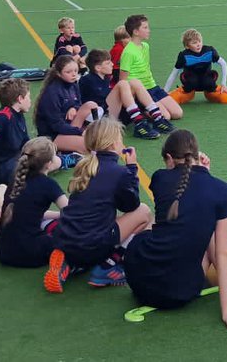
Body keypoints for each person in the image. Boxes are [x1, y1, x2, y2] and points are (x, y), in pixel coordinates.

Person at [125, 130, 227, 331]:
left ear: (169, 158)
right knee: (207, 225)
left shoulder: (159, 178)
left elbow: (187, 194)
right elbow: (224, 251)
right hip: (182, 291)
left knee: (153, 225)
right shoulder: (221, 190)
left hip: (140, 281)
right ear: (196, 155)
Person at [45, 119, 152, 292]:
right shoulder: (120, 172)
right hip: (92, 244)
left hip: (65, 238)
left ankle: (71, 263)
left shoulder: (84, 166)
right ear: (113, 143)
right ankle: (108, 266)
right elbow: (131, 205)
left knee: (96, 220)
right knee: (144, 212)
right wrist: (132, 168)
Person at [0, 137, 69, 268]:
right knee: (70, 235)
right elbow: (72, 213)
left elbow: (28, 212)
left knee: (50, 222)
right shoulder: (48, 185)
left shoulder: (16, 178)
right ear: (49, 164)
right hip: (31, 253)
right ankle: (68, 266)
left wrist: (58, 215)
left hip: (5, 253)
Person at [80, 49, 164, 137]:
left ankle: (158, 117)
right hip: (100, 120)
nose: (112, 64)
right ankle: (140, 124)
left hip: (110, 113)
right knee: (122, 84)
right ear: (98, 68)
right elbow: (101, 99)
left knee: (135, 82)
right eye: (108, 63)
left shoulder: (105, 78)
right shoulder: (87, 79)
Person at [118, 14, 181, 128]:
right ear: (136, 32)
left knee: (177, 113)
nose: (149, 30)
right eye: (145, 28)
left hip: (152, 86)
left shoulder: (145, 46)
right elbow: (122, 81)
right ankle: (140, 110)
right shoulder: (128, 52)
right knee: (166, 116)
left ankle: (148, 108)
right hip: (141, 91)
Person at [34, 55, 100, 156]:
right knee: (90, 146)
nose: (73, 74)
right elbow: (56, 125)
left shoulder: (73, 84)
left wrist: (74, 108)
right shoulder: (52, 93)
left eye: (75, 70)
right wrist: (79, 132)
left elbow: (78, 102)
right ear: (58, 74)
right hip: (54, 136)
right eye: (68, 72)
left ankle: (96, 130)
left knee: (91, 104)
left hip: (67, 126)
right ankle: (65, 152)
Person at [165, 28, 227, 105]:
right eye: (194, 43)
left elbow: (223, 63)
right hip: (189, 87)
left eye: (200, 41)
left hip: (207, 83)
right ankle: (187, 94)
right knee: (168, 101)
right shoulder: (184, 56)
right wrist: (165, 92)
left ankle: (210, 94)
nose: (198, 44)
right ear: (187, 46)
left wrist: (224, 84)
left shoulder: (209, 51)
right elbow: (174, 74)